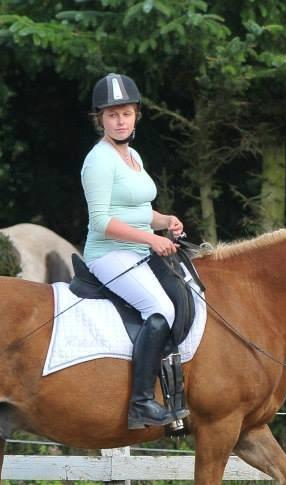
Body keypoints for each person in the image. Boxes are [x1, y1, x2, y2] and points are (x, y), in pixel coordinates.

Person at [81, 72, 185, 429]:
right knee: (160, 308)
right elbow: (101, 221)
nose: (120, 120)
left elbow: (139, 211)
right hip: (108, 255)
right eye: (112, 115)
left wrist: (164, 220)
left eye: (125, 113)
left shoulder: (133, 156)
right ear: (101, 120)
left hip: (137, 251)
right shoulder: (99, 160)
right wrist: (152, 239)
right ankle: (141, 402)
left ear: (136, 114)